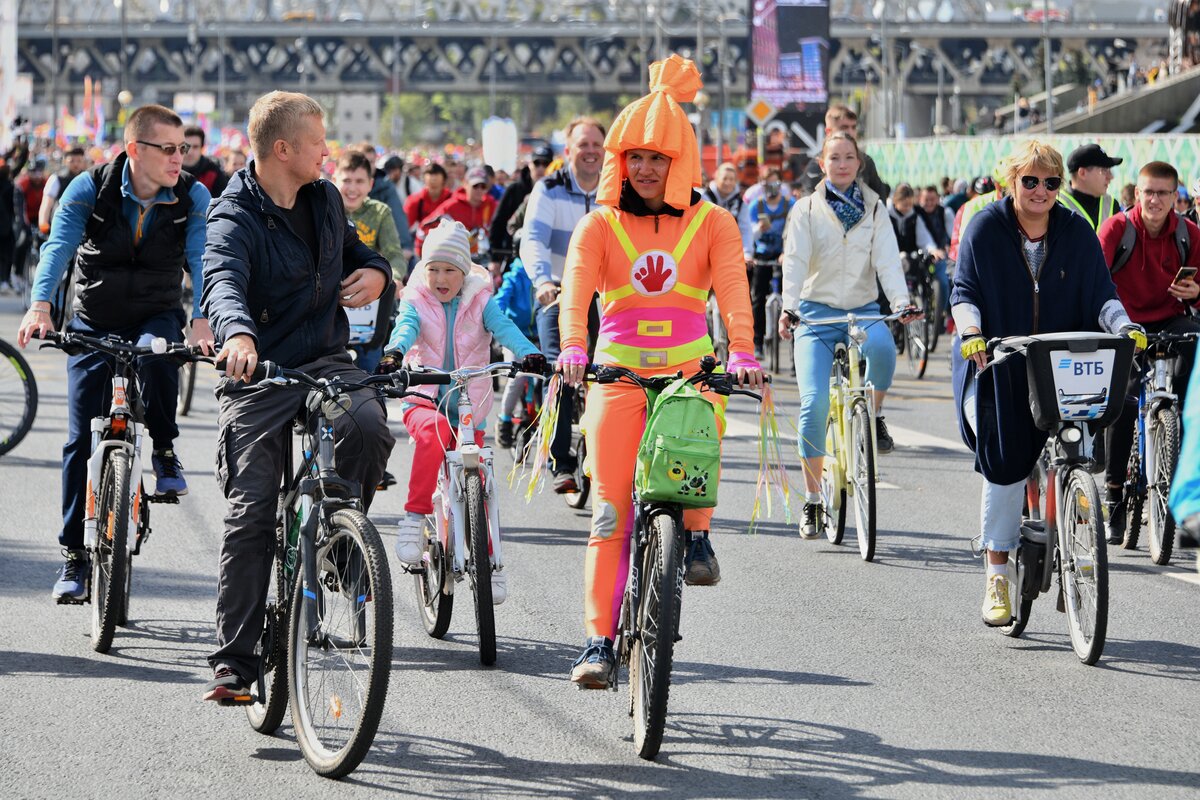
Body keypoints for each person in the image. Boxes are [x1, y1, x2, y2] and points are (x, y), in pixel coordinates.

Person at [556, 56, 763, 687]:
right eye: (636, 157)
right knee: (610, 513)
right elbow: (576, 290)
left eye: (658, 158)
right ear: (620, 160)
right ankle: (598, 642)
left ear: (682, 162)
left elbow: (731, 288)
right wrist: (571, 347)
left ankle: (696, 535)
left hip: (691, 375)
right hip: (616, 376)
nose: (645, 169)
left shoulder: (715, 222)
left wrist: (743, 350)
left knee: (693, 461)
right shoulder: (598, 223)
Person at [200, 91, 395, 703]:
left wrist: (378, 272)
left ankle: (337, 544)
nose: (328, 152)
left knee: (367, 428)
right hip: (258, 373)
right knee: (253, 511)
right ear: (283, 150)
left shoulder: (326, 197)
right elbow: (221, 280)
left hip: (326, 361)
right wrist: (236, 334)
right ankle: (235, 661)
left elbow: (359, 255)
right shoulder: (233, 215)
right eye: (318, 142)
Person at [14, 104, 214, 603]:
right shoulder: (92, 188)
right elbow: (57, 249)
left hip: (156, 313)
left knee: (161, 356)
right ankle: (74, 559)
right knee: (79, 439)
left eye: (182, 149)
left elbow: (201, 258)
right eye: (167, 149)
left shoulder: (193, 194)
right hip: (94, 318)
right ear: (134, 151)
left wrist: (204, 317)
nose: (178, 159)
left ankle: (165, 451)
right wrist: (40, 306)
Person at [950, 140, 1143, 628]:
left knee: (1079, 446)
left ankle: (1074, 531)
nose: (1040, 190)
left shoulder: (1076, 231)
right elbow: (965, 292)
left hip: (1060, 363)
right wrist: (972, 334)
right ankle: (997, 572)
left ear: (1061, 186)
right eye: (1030, 180)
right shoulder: (984, 228)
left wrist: (1124, 327)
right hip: (1000, 360)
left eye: (1051, 182)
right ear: (1011, 181)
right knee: (1007, 465)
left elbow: (1103, 294)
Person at [380, 219, 543, 604]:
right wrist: (395, 353)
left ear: (465, 271)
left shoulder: (481, 300)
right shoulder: (416, 299)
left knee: (479, 481)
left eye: (450, 269)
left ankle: (489, 562)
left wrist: (528, 353)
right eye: (433, 268)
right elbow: (405, 328)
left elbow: (505, 328)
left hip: (470, 406)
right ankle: (415, 516)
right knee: (434, 431)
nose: (440, 277)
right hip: (425, 398)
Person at [778, 132, 916, 539]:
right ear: (822, 164)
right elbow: (796, 262)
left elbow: (888, 262)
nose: (841, 163)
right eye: (833, 157)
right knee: (814, 403)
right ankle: (813, 500)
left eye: (848, 157)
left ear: (859, 163)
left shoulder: (875, 209)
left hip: (862, 310)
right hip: (815, 314)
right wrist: (790, 307)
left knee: (884, 351)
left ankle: (872, 418)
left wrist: (902, 301)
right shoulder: (805, 209)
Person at [1097, 161, 1200, 543]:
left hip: (1171, 322)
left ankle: (1187, 499)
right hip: (1125, 323)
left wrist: (1197, 293)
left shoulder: (1188, 234)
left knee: (1194, 393)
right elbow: (1094, 282)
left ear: (1176, 197)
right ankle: (1115, 501)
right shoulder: (1117, 230)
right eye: (1147, 192)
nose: (1154, 199)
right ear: (1136, 194)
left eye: (1162, 193)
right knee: (1123, 403)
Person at [519, 116, 605, 491]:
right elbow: (534, 240)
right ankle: (560, 460)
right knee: (562, 369)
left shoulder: (616, 190)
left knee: (613, 373)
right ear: (568, 151)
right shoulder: (549, 189)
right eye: (582, 145)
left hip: (605, 295)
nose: (590, 152)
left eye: (596, 145)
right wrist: (542, 281)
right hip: (558, 291)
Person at [332, 150, 405, 371]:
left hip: (370, 304)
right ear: (334, 180)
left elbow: (394, 253)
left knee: (370, 375)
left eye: (359, 181)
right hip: (332, 302)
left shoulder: (380, 212)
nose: (352, 188)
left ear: (370, 184)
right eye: (346, 181)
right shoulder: (325, 208)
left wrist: (396, 277)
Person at [747, 167, 793, 358]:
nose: (772, 188)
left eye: (775, 183)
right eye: (768, 184)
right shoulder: (754, 207)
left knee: (791, 297)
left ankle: (792, 350)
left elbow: (795, 231)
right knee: (757, 297)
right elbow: (749, 235)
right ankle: (757, 342)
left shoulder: (790, 204)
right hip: (762, 256)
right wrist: (759, 228)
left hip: (784, 253)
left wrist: (787, 252)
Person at [796, 105, 890, 198]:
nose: (851, 132)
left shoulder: (866, 162)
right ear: (823, 165)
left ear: (858, 163)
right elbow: (809, 203)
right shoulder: (815, 165)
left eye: (853, 127)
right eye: (844, 128)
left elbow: (879, 199)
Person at [489, 143, 552, 271]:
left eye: (545, 164)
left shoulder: (559, 193)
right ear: (530, 165)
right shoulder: (514, 189)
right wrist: (494, 258)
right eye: (537, 163)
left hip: (548, 258)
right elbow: (499, 222)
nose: (540, 168)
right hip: (515, 258)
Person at [420, 166, 497, 259]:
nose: (479, 190)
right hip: (454, 259)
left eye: (483, 186)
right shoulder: (451, 205)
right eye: (475, 186)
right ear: (465, 184)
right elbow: (424, 227)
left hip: (484, 259)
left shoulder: (492, 206)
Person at [1059, 143, 1122, 233]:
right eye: (1104, 170)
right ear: (1082, 173)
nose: (1110, 177)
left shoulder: (1112, 205)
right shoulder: (1057, 205)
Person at [403, 163, 450, 254]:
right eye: (430, 174)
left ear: (444, 179)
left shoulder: (452, 199)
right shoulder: (415, 200)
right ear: (424, 178)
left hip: (448, 244)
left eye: (436, 174)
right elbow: (404, 227)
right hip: (422, 244)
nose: (433, 178)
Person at [38, 146, 87, 233]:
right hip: (60, 225)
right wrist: (43, 224)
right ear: (65, 160)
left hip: (81, 225)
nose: (76, 164)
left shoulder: (87, 178)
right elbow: (47, 203)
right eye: (72, 161)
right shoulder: (56, 178)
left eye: (79, 161)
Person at [182, 125, 229, 196]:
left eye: (195, 147)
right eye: (186, 146)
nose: (190, 152)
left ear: (202, 148)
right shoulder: (169, 169)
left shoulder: (214, 172)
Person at [0, 160, 15, 293]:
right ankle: (4, 279)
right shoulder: (9, 186)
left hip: (5, 226)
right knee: (6, 254)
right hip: (6, 227)